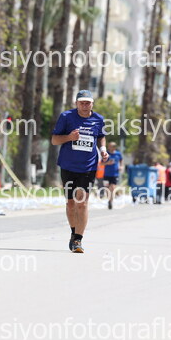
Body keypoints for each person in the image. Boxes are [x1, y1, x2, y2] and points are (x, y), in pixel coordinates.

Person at [51, 90, 108, 253]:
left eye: (87, 102)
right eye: (81, 102)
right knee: (70, 204)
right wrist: (69, 138)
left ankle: (78, 240)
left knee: (81, 203)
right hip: (68, 166)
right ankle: (73, 232)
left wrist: (103, 150)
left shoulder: (98, 119)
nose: (84, 105)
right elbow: (54, 140)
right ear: (76, 103)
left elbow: (101, 136)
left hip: (88, 167)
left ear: (92, 104)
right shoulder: (66, 117)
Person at [103, 142, 123, 210]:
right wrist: (107, 163)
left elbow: (121, 160)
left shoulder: (118, 154)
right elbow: (101, 163)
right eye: (109, 146)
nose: (110, 147)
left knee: (112, 188)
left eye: (112, 146)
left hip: (115, 174)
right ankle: (109, 200)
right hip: (106, 174)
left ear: (114, 147)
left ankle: (111, 201)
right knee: (107, 189)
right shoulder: (106, 154)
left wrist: (121, 166)